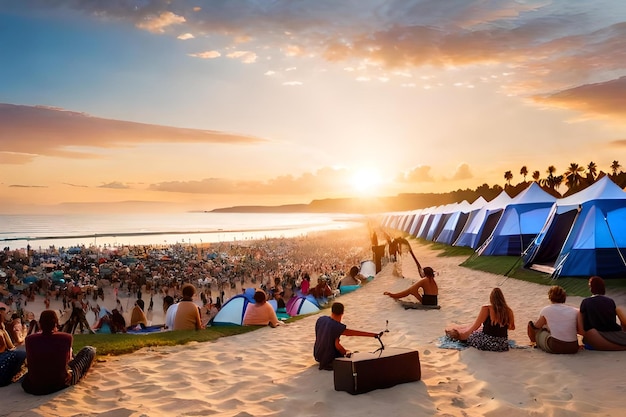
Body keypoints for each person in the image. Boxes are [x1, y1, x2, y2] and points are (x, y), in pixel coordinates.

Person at [22, 310, 96, 395]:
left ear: (40, 323)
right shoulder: (66, 337)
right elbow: (67, 361)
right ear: (56, 323)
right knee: (89, 350)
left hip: (34, 386)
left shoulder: (29, 339)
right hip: (60, 383)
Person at [313, 302, 382, 370]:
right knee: (350, 354)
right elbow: (343, 340)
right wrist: (374, 335)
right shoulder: (336, 326)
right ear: (342, 313)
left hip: (317, 355)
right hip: (328, 359)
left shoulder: (321, 319)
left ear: (332, 310)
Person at [446, 287, 515, 352]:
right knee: (480, 329)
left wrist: (465, 335)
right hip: (502, 344)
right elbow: (512, 327)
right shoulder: (508, 311)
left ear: (491, 298)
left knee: (469, 333)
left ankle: (454, 333)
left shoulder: (487, 309)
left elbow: (476, 326)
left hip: (488, 343)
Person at [578, 276, 626, 351]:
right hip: (615, 332)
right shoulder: (610, 301)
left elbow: (581, 322)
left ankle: (620, 347)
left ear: (591, 288)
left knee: (580, 315)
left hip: (597, 334)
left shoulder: (586, 302)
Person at [527, 286, 580, 354]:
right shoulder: (575, 311)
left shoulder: (546, 310)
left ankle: (533, 343)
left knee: (532, 325)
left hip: (555, 346)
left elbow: (536, 327)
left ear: (550, 297)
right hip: (573, 347)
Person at [0, 312, 27, 386]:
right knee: (22, 355)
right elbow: (11, 346)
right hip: (2, 357)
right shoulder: (1, 333)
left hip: (4, 354)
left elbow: (11, 346)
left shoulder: (2, 331)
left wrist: (4, 330)